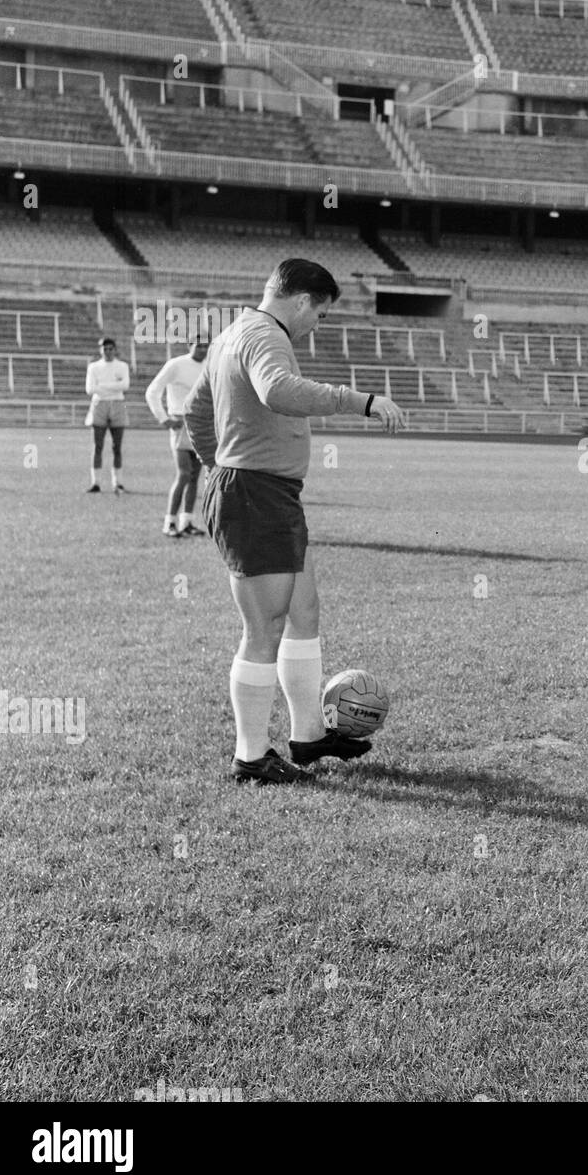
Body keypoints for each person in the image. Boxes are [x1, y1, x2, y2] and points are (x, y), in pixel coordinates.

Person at [183, 259, 404, 784]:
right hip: (255, 495)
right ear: (303, 301)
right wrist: (361, 401)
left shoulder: (231, 334)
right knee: (264, 630)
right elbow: (277, 390)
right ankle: (250, 757)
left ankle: (307, 737)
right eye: (321, 315)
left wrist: (217, 465)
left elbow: (195, 410)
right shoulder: (266, 336)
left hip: (266, 493)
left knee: (304, 613)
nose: (316, 326)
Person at [145, 334, 209, 537]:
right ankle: (169, 523)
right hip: (180, 422)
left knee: (194, 477)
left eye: (207, 346)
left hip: (201, 423)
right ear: (189, 345)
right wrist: (164, 418)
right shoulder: (176, 365)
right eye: (199, 346)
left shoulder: (211, 365)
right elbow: (153, 391)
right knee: (183, 473)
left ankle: (186, 522)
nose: (203, 350)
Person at [85, 336, 130, 493]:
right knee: (97, 446)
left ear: (115, 350)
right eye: (105, 349)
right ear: (100, 350)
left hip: (117, 404)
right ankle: (95, 482)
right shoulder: (94, 367)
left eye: (111, 349)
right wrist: (113, 387)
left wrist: (102, 386)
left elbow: (125, 385)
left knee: (116, 447)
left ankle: (117, 482)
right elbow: (90, 389)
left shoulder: (122, 366)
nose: (108, 351)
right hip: (100, 405)